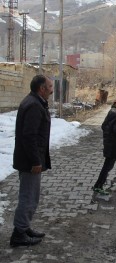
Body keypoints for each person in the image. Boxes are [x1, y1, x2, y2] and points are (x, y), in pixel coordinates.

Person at [10, 75, 54, 247]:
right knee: (28, 197)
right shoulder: (34, 105)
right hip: (30, 162)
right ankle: (19, 234)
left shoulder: (35, 102)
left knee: (31, 196)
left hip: (29, 160)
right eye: (50, 86)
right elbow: (29, 136)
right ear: (41, 89)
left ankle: (24, 227)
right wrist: (36, 162)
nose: (52, 89)